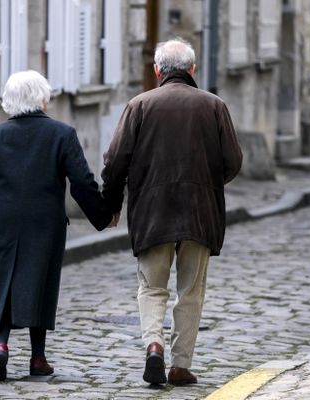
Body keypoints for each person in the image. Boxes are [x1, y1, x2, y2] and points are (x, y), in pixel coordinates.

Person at [101, 38, 243, 386]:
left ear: (156, 71)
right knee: (191, 290)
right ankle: (180, 364)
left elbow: (115, 160)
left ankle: (153, 344)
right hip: (200, 212)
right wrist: (208, 184)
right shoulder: (214, 106)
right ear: (192, 69)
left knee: (152, 287)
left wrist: (112, 202)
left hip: (152, 212)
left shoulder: (140, 105)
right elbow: (233, 161)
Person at [0, 70, 116, 381]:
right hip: (44, 223)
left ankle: (0, 347)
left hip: (2, 221)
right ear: (42, 98)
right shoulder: (61, 134)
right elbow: (82, 182)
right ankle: (38, 357)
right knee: (41, 283)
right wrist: (103, 217)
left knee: (4, 281)